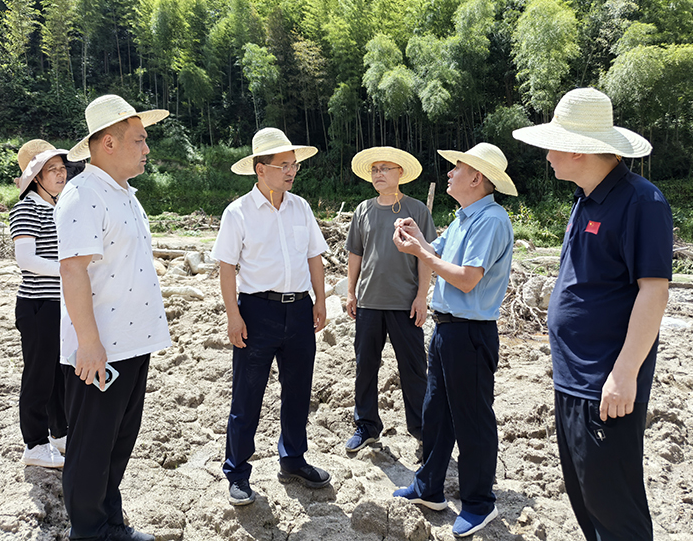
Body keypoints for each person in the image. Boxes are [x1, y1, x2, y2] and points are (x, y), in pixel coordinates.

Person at [512, 87, 672, 541]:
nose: (547, 157)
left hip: (605, 383)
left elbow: (654, 292)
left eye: (552, 146)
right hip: (572, 378)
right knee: (586, 497)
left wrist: (624, 374)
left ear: (578, 150)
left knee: (614, 509)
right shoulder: (586, 198)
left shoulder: (641, 202)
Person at [55, 95, 170, 541]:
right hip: (102, 347)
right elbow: (73, 270)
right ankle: (89, 530)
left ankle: (110, 523)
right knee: (92, 446)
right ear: (108, 143)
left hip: (132, 340)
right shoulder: (83, 195)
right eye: (139, 140)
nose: (146, 149)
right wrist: (89, 342)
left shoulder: (124, 194)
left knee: (118, 441)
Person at [391, 143, 517, 538]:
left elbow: (465, 278)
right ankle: (429, 487)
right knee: (437, 412)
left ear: (476, 177)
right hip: (447, 328)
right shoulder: (465, 217)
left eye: (457, 168)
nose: (449, 173)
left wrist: (420, 252)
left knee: (472, 419)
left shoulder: (492, 220)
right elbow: (437, 254)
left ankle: (479, 502)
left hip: (470, 332)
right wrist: (418, 240)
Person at [211, 127, 330, 506]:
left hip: (299, 310)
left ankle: (293, 460)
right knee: (247, 395)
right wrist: (233, 316)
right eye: (284, 165)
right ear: (260, 169)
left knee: (298, 391)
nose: (291, 171)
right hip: (256, 312)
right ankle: (237, 471)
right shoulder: (238, 212)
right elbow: (226, 268)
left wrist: (320, 300)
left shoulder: (301, 208)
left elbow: (314, 256)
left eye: (294, 165)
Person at [343, 147, 436, 452]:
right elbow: (355, 254)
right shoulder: (363, 210)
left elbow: (426, 257)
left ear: (400, 173)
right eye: (375, 169)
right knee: (365, 367)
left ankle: (423, 431)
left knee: (414, 369)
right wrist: (351, 291)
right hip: (369, 302)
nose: (378, 174)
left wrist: (422, 296)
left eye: (385, 168)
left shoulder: (417, 210)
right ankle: (367, 426)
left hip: (405, 303)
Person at [10, 139, 70, 469]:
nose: (61, 174)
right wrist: (69, 270)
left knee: (58, 373)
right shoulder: (26, 209)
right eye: (52, 170)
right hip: (37, 304)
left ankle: (59, 434)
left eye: (62, 169)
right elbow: (26, 259)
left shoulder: (57, 208)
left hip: (59, 303)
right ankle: (34, 443)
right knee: (38, 375)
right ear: (36, 178)